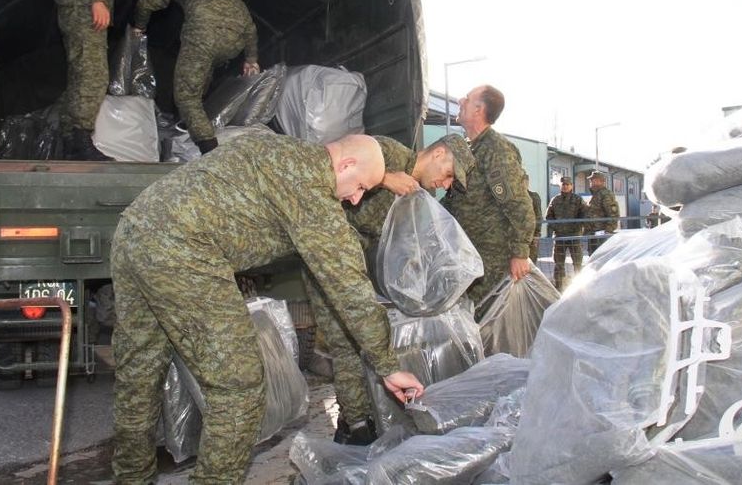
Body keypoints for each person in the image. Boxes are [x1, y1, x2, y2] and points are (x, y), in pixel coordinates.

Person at [110, 133, 424, 484]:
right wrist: (387, 365)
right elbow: (350, 288)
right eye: (361, 186)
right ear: (346, 165)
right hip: (182, 250)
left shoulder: (276, 145)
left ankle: (130, 478)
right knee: (239, 388)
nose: (355, 198)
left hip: (134, 228)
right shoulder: (312, 191)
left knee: (138, 373)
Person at [320, 133, 475, 444]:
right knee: (346, 344)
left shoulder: (419, 198)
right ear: (438, 153)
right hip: (329, 257)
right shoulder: (386, 152)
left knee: (371, 342)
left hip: (361, 271)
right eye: (447, 175)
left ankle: (369, 420)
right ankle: (356, 427)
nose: (445, 184)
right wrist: (384, 179)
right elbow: (327, 173)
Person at [132, 0, 260, 155]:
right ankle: (189, 124)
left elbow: (147, 2)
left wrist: (138, 27)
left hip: (203, 32)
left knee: (186, 96)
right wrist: (251, 59)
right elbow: (249, 26)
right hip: (237, 38)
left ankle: (210, 152)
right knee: (201, 77)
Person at [442, 85, 536, 309]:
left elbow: (519, 205)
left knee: (487, 323)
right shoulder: (468, 149)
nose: (459, 100)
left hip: (492, 262)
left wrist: (520, 253)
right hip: (469, 256)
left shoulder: (496, 150)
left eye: (467, 98)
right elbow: (456, 200)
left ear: (478, 109)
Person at [56, 0, 134, 160]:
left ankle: (71, 142)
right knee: (94, 75)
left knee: (81, 75)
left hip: (79, 8)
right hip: (83, 8)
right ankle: (79, 141)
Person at [545, 176, 587, 291]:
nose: (565, 186)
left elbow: (584, 214)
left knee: (577, 263)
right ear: (560, 186)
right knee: (559, 264)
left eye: (567, 184)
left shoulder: (577, 199)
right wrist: (556, 227)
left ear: (572, 186)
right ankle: (559, 288)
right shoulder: (555, 200)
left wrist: (577, 226)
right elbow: (549, 216)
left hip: (574, 236)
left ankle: (581, 288)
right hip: (559, 237)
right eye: (563, 184)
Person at [584, 170, 619, 254]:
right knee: (593, 256)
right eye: (591, 180)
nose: (591, 182)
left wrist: (608, 231)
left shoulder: (605, 194)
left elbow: (613, 214)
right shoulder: (596, 194)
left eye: (593, 180)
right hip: (594, 233)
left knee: (600, 256)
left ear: (601, 181)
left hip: (601, 233)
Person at [528, 187, 543, 264]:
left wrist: (537, 234)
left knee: (531, 261)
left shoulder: (533, 196)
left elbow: (538, 216)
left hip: (531, 235)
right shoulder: (513, 196)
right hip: (516, 237)